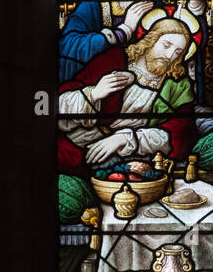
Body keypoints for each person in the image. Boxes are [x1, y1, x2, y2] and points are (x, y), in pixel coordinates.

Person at [58, 17, 196, 175]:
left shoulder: (177, 84)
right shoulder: (114, 60)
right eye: (166, 45)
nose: (170, 55)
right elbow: (59, 106)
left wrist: (126, 139)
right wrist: (94, 93)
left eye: (178, 52)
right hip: (79, 143)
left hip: (132, 156)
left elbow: (182, 131)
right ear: (150, 39)